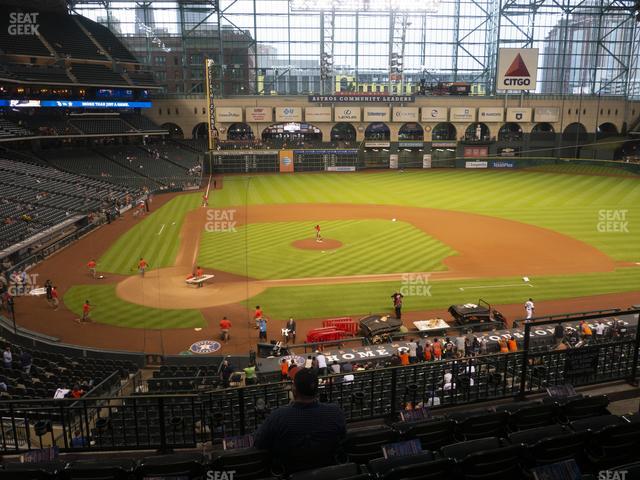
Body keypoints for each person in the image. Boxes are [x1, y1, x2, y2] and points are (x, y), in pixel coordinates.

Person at [253, 369, 346, 474]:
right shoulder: (335, 412)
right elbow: (343, 437)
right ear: (317, 390)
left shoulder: (277, 417)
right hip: (329, 472)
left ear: (294, 390)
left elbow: (258, 443)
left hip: (290, 473)